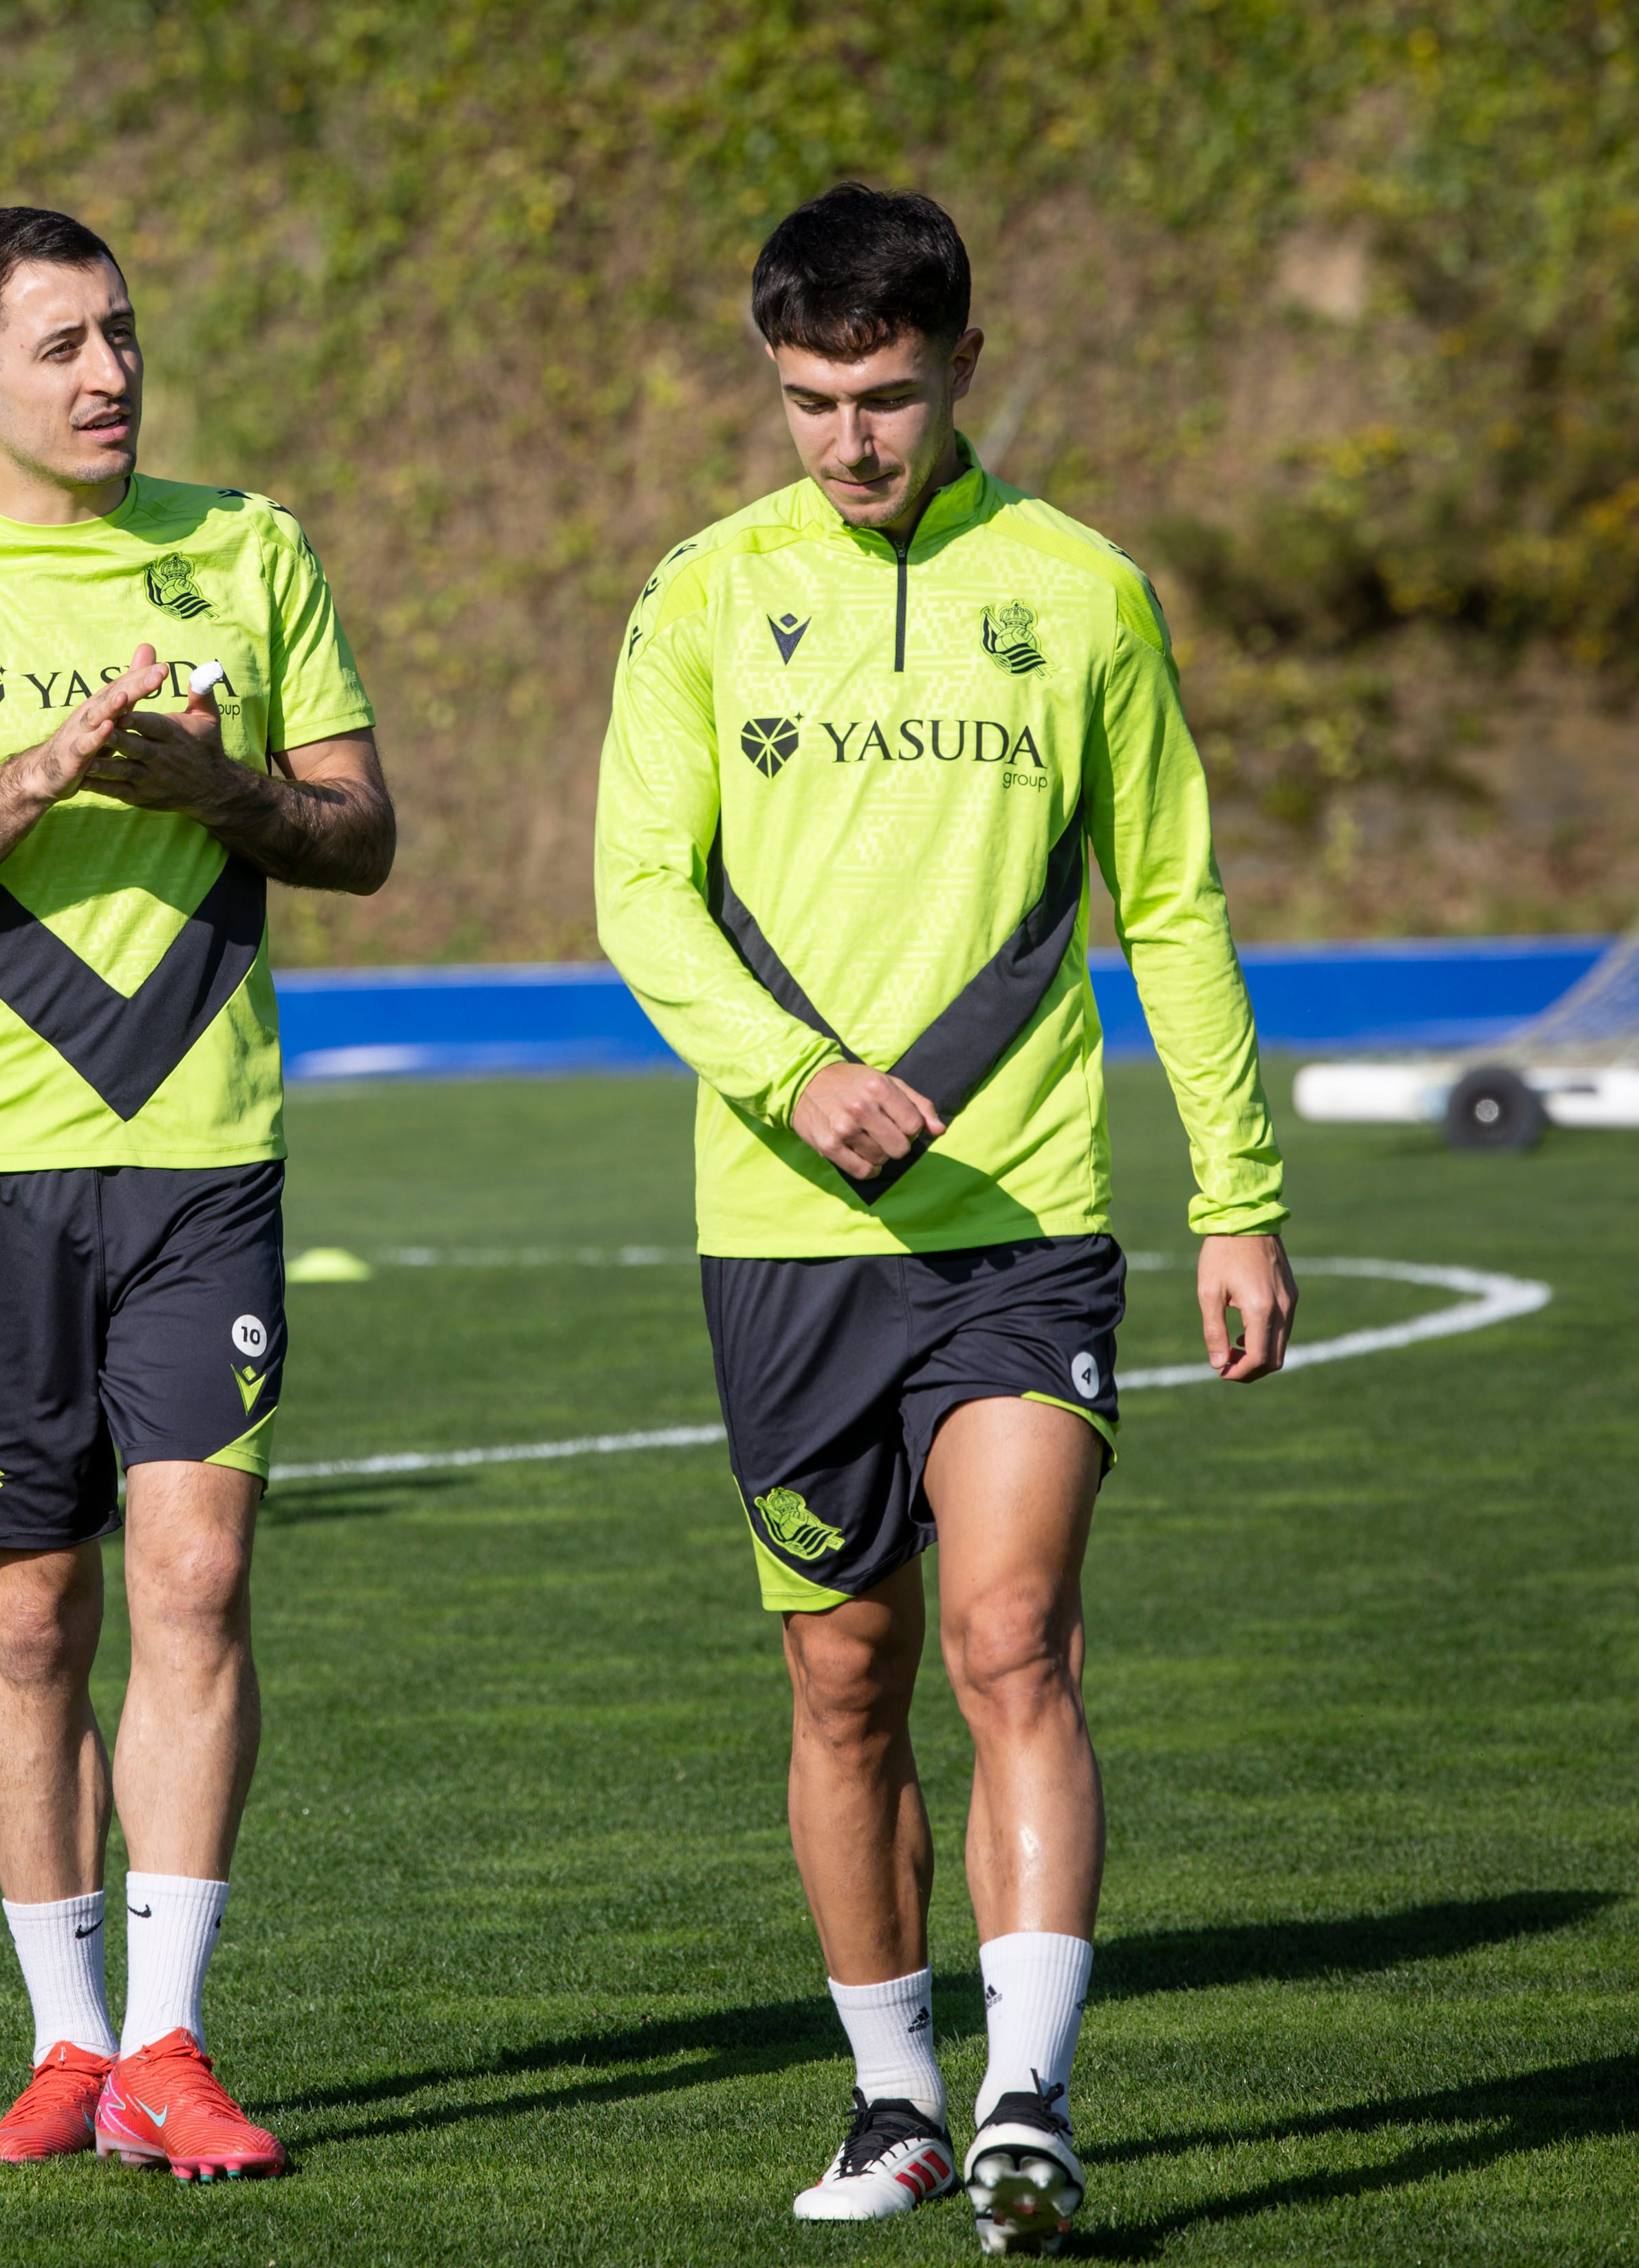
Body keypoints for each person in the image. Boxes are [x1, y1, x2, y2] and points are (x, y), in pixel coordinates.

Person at [594, 183, 1295, 2256]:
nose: (848, 442)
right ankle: (894, 2092)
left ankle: (1025, 2097)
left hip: (1024, 1226)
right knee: (842, 1675)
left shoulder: (1080, 595)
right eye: (809, 399)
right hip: (782, 1229)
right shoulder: (702, 599)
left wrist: (1233, 1194)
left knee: (1006, 1635)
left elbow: (1164, 895)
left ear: (962, 367)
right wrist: (792, 1075)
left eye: (885, 396)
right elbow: (639, 891)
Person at [0, 208, 394, 2180]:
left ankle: (171, 2041)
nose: (112, 373)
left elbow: (359, 834)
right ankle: (64, 2048)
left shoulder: (253, 546)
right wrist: (51, 768)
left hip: (202, 1156)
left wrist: (203, 789)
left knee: (198, 1581)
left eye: (122, 333)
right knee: (33, 1614)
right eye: (63, 346)